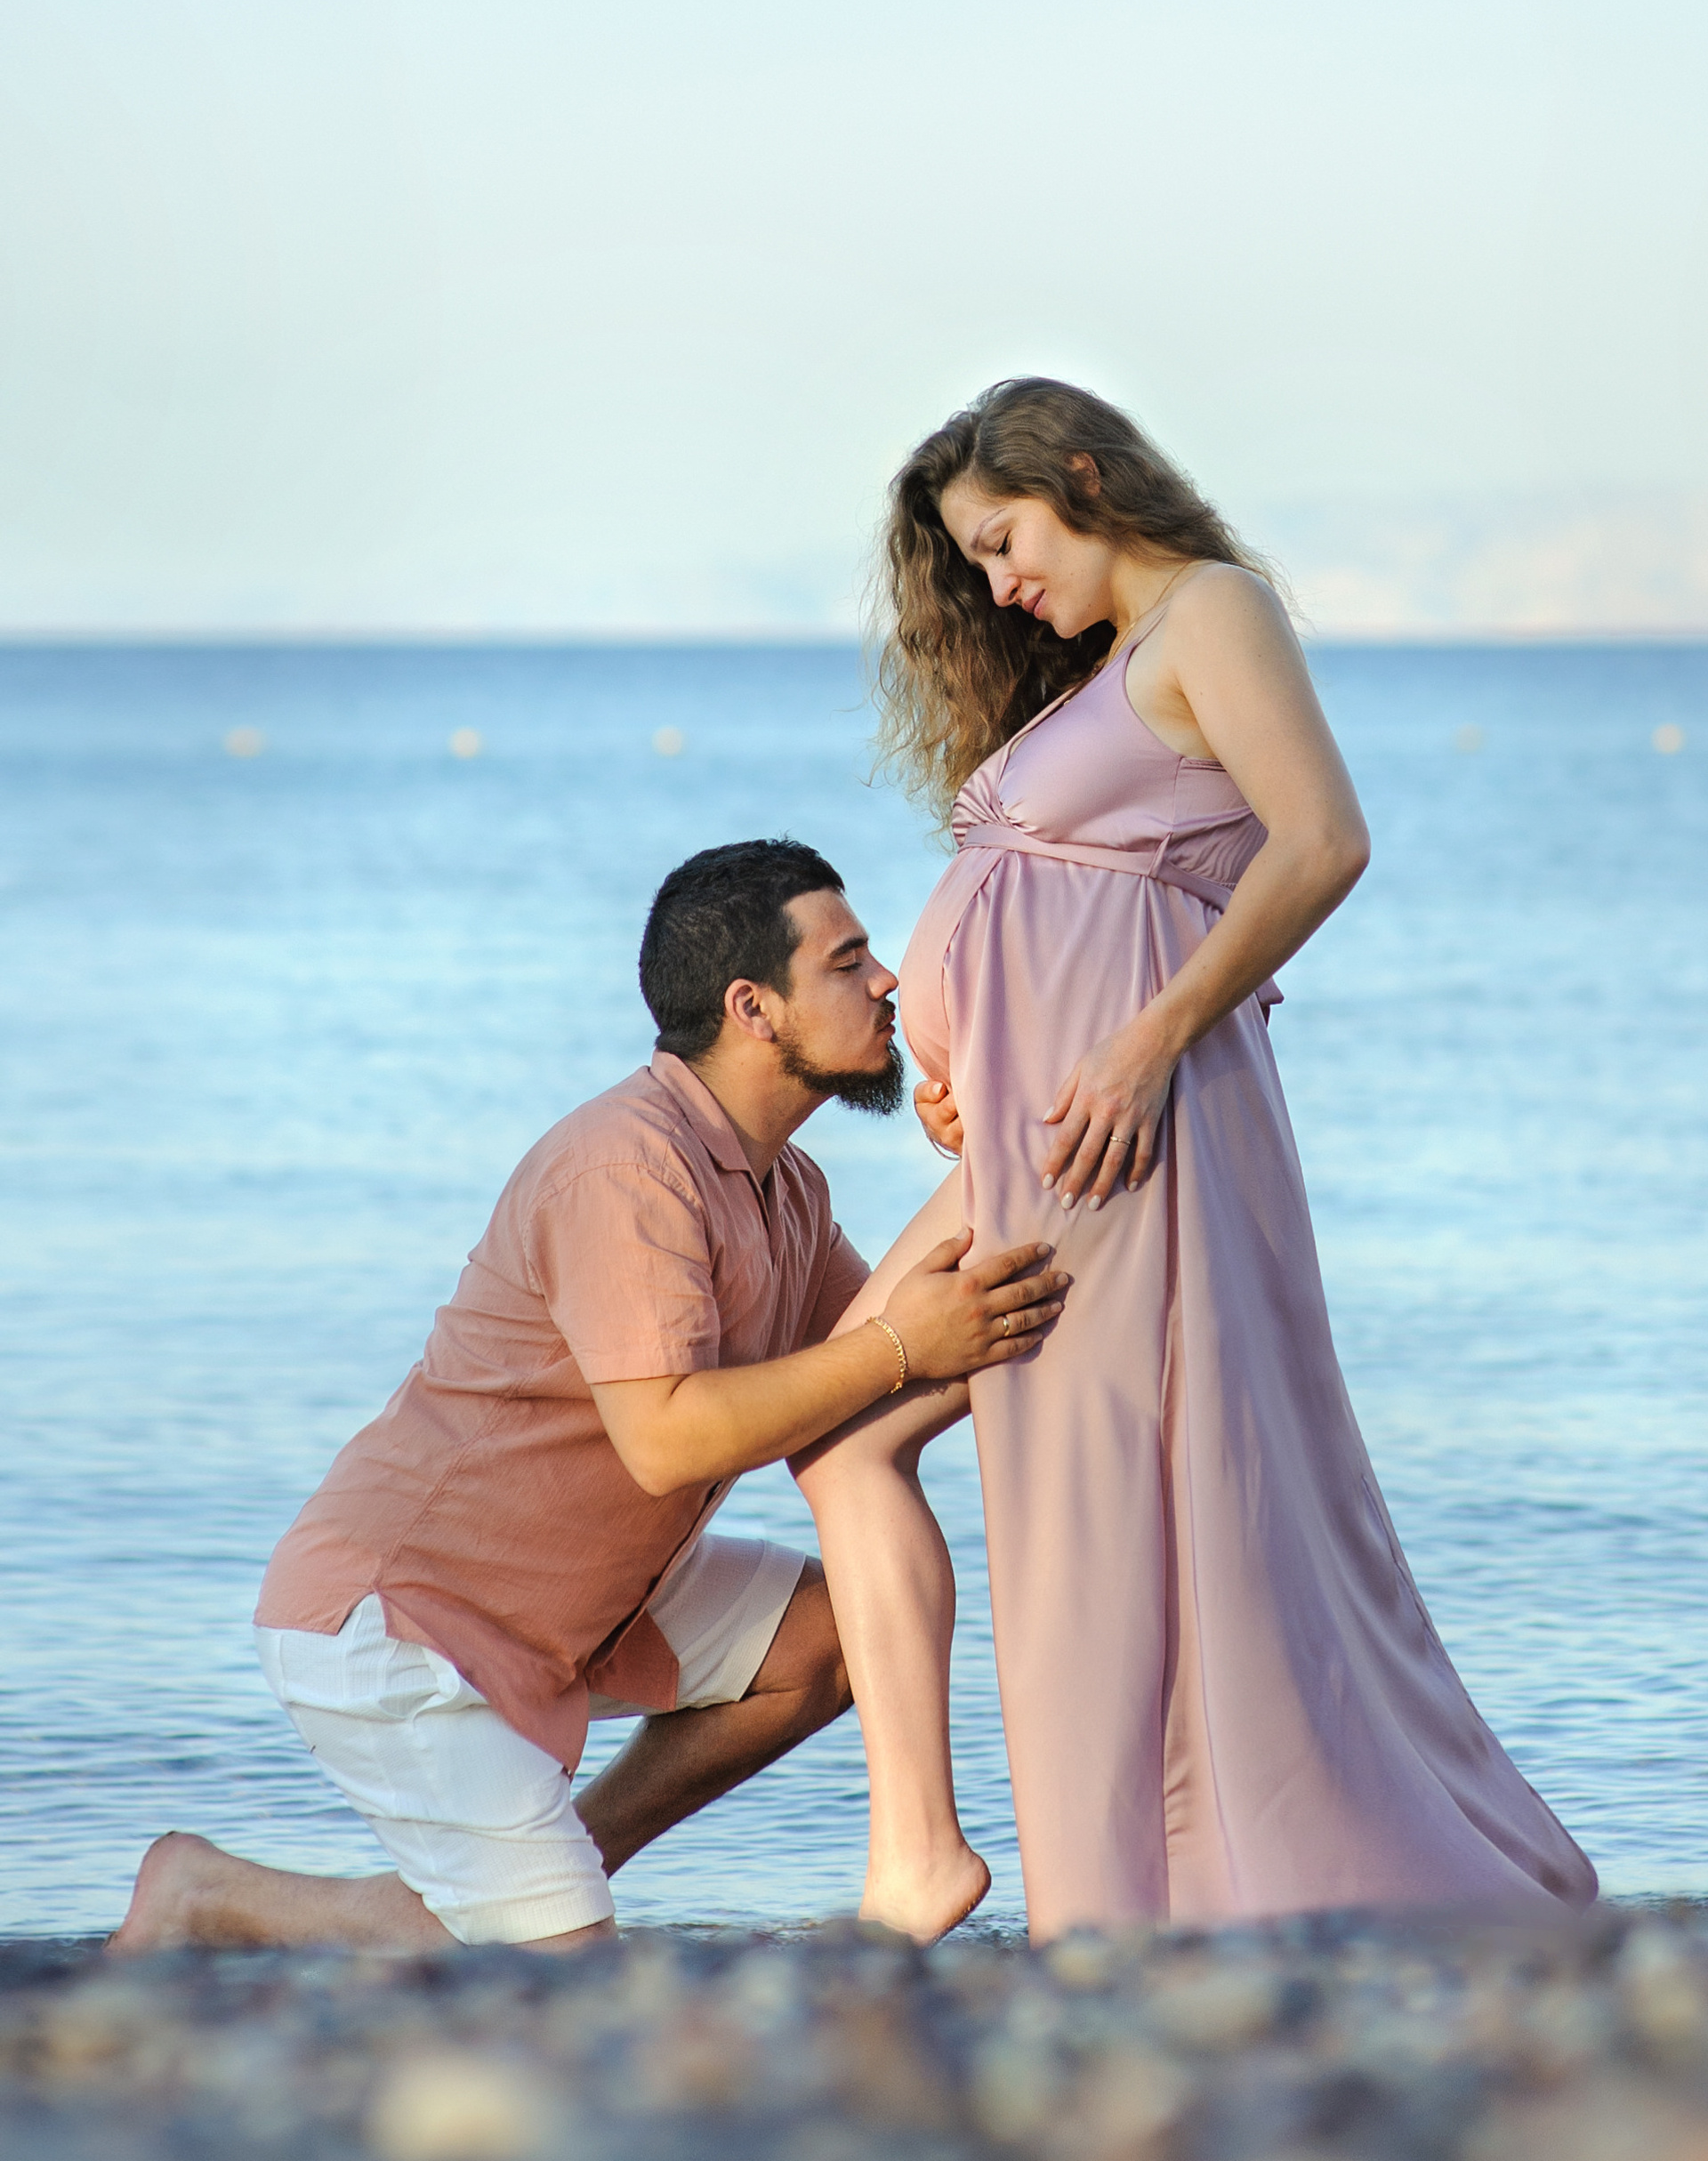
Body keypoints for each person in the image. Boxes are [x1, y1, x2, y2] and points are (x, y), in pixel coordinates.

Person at [796, 378, 1598, 1945]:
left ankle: (1102, 1905)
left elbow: (1323, 842)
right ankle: (934, 1855)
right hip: (1049, 1143)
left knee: (1098, 1509)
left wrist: (1144, 1037)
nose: (996, 583)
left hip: (1127, 1147)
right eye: (971, 564)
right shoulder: (1109, 674)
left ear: (1086, 480)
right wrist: (966, 1054)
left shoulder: (1214, 613)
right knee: (844, 1429)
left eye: (1004, 540)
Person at [110, 838, 1063, 1955]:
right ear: (753, 1008)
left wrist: (994, 1138)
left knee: (840, 1634)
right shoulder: (626, 1167)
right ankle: (209, 1894)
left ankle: (539, 1870)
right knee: (564, 1995)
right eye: (850, 962)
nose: (890, 981)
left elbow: (876, 1367)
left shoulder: (786, 1187)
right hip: (407, 1623)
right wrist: (905, 1345)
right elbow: (671, 1438)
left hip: (589, 1596)